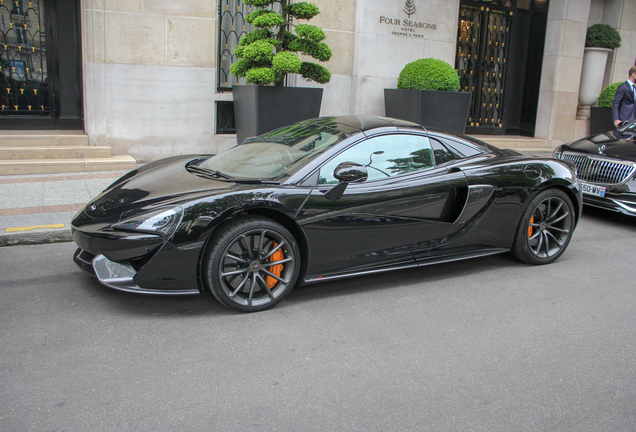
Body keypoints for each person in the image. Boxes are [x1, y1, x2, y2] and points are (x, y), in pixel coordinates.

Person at [612, 66, 636, 138]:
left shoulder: (634, 88)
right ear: (633, 74)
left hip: (633, 120)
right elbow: (616, 103)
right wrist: (616, 119)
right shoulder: (623, 87)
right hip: (623, 119)